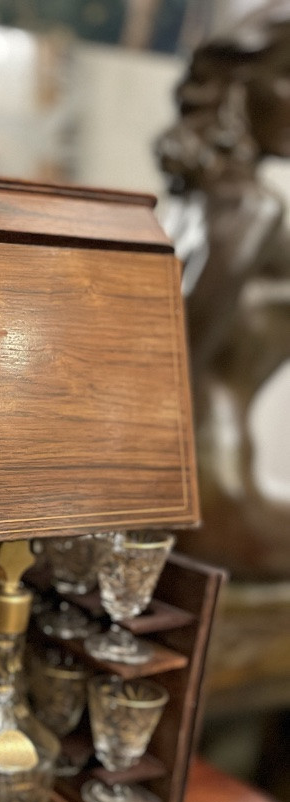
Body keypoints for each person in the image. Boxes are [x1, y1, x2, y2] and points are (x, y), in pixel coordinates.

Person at [157, 2, 290, 579]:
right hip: (210, 485)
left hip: (202, 473)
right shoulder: (251, 209)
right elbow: (179, 358)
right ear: (237, 85)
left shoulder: (195, 199)